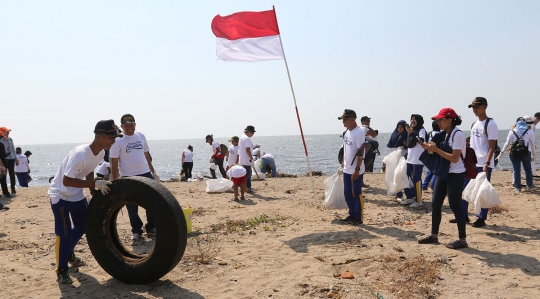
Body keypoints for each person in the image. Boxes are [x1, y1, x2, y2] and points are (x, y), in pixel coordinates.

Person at [48, 119, 121, 284]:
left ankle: (68, 253)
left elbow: (90, 170)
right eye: (111, 138)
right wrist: (94, 183)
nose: (114, 141)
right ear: (100, 136)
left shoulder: (101, 152)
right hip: (60, 195)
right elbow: (67, 181)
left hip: (76, 194)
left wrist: (93, 191)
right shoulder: (80, 154)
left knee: (83, 225)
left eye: (115, 138)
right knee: (64, 233)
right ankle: (62, 270)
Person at [418, 108, 468, 249]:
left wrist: (436, 150)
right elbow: (439, 152)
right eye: (437, 120)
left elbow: (454, 157)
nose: (438, 122)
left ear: (450, 120)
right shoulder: (444, 134)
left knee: (455, 205)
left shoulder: (457, 135)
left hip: (456, 174)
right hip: (444, 173)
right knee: (435, 204)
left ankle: (463, 239)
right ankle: (434, 235)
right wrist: (428, 147)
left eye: (440, 119)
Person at [110, 114, 160, 240]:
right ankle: (136, 230)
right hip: (128, 176)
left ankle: (151, 227)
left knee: (151, 201)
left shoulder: (141, 136)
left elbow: (146, 154)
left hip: (145, 173)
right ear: (121, 126)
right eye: (126, 126)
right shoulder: (118, 140)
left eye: (131, 125)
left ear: (135, 125)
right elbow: (114, 161)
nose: (129, 128)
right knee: (131, 206)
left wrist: (153, 171)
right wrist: (114, 180)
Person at [468, 97, 498, 228]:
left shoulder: (491, 124)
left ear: (485, 106)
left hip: (484, 163)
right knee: (469, 189)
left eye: (477, 107)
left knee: (482, 191)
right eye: (473, 107)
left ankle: (481, 218)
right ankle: (464, 215)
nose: (474, 109)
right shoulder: (475, 124)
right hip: (473, 163)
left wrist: (487, 162)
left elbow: (492, 146)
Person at [338, 109, 365, 225]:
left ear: (353, 120)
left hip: (356, 170)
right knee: (347, 193)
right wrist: (343, 162)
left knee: (356, 193)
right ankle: (352, 214)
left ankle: (358, 218)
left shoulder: (358, 133)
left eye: (345, 119)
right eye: (343, 119)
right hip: (347, 169)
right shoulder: (347, 132)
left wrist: (357, 170)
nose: (343, 122)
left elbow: (361, 151)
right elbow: (346, 149)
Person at [498, 117, 536, 193]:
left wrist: (501, 153)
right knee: (528, 169)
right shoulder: (530, 132)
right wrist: (533, 154)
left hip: (514, 153)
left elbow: (507, 144)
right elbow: (532, 144)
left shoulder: (511, 131)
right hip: (526, 153)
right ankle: (530, 186)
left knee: (516, 170)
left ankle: (517, 188)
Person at [401, 114, 426, 207]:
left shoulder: (421, 130)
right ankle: (410, 197)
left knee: (416, 179)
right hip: (410, 159)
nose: (412, 121)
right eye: (411, 119)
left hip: (418, 160)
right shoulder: (410, 130)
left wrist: (412, 133)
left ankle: (418, 200)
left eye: (415, 119)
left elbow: (421, 141)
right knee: (406, 178)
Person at [386, 120, 408, 200]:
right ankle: (398, 194)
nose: (400, 129)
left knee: (402, 175)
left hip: (404, 158)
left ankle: (405, 194)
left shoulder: (407, 134)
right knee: (395, 175)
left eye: (401, 127)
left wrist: (407, 144)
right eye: (398, 127)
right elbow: (391, 145)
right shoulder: (394, 134)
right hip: (395, 158)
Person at [421, 120, 441, 191]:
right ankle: (433, 185)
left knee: (430, 169)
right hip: (437, 153)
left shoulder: (430, 133)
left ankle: (424, 184)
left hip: (430, 152)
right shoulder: (440, 134)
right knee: (436, 169)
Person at [0, 127, 18, 195]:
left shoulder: (10, 140)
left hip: (11, 158)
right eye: (6, 132)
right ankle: (5, 190)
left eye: (8, 132)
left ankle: (13, 188)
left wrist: (16, 159)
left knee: (12, 174)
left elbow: (13, 149)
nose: (8, 133)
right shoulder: (0, 140)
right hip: (4, 159)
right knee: (3, 175)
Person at [238, 126, 256, 193]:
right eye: (252, 132)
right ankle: (239, 186)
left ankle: (248, 188)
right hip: (246, 159)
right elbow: (247, 150)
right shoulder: (247, 138)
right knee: (248, 174)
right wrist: (251, 159)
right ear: (249, 131)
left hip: (242, 158)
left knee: (249, 174)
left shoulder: (241, 137)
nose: (253, 134)